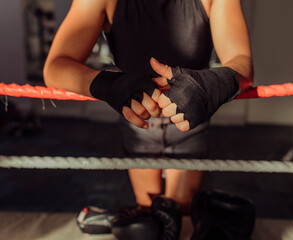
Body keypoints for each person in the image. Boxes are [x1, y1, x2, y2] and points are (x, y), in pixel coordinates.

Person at [44, 0, 253, 239]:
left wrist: (212, 83)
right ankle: (120, 217)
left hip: (191, 114)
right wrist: (108, 83)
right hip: (137, 117)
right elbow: (55, 66)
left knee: (181, 215)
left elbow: (242, 62)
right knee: (150, 219)